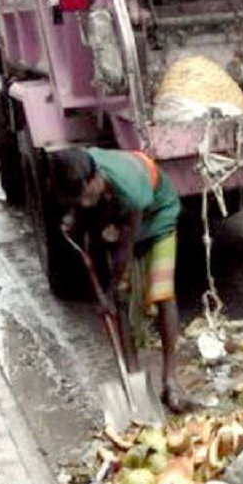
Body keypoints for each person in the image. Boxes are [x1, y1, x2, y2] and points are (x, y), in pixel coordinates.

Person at [48, 147, 186, 413]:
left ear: (97, 178)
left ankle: (170, 379)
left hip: (158, 215)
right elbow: (89, 224)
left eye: (86, 196)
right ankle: (133, 378)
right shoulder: (76, 168)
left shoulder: (129, 189)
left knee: (161, 291)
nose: (84, 202)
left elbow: (125, 248)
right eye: (77, 199)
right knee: (123, 300)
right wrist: (73, 217)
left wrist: (108, 293)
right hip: (122, 219)